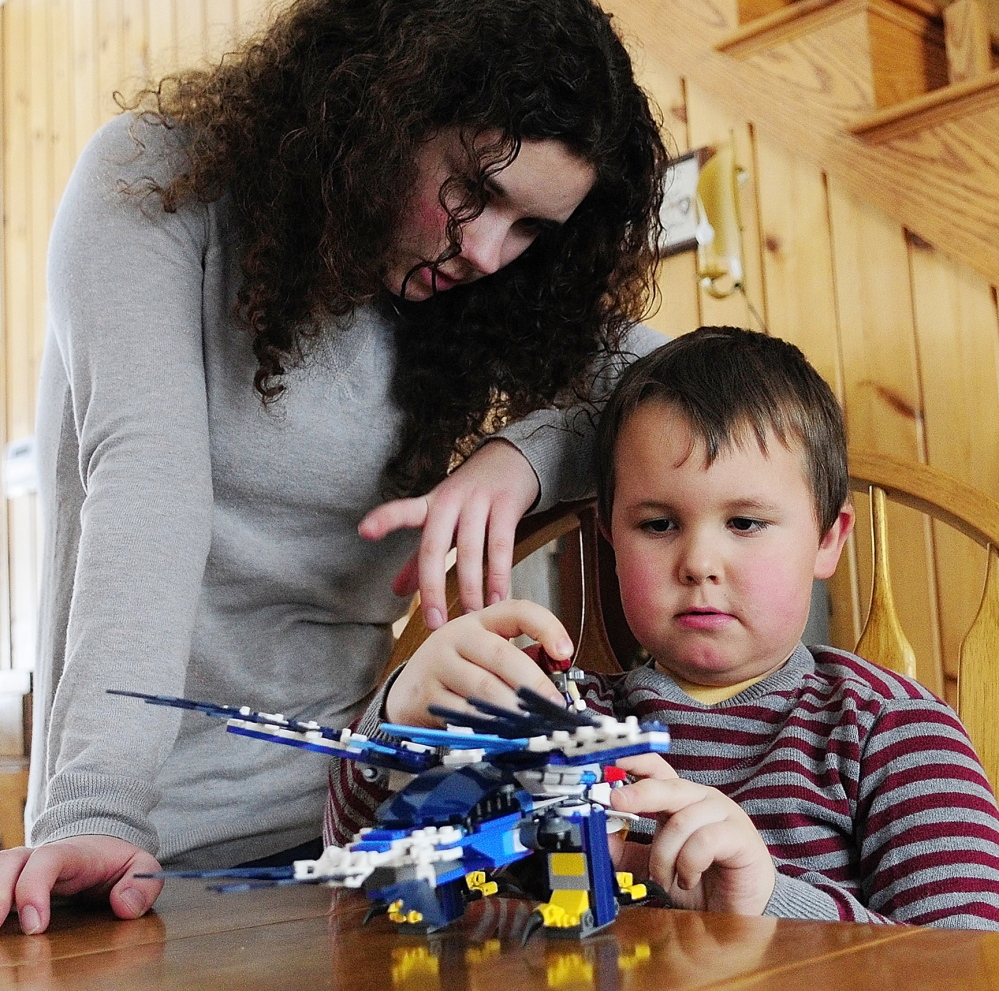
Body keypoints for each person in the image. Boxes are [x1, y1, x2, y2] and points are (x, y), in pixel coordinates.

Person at [0, 0, 670, 934]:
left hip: (354, 817)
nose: (484, 251)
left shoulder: (474, 298)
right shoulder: (156, 179)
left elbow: (688, 378)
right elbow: (146, 485)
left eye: (529, 229)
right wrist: (96, 811)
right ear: (387, 107)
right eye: (474, 188)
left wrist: (520, 457)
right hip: (137, 834)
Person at [328, 327, 999, 928]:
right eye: (658, 524)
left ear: (828, 538)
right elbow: (358, 885)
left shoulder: (892, 730)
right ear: (609, 538)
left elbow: (970, 962)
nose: (699, 562)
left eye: (744, 522)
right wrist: (396, 717)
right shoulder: (554, 715)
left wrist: (769, 900)